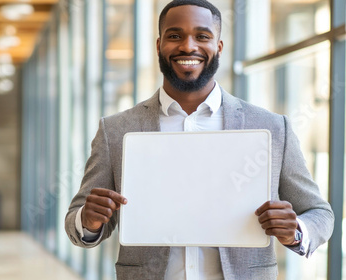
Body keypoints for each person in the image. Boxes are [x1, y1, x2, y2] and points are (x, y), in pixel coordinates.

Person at [65, 0, 334, 279]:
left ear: (218, 46)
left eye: (202, 36)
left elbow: (319, 213)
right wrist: (88, 220)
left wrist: (296, 232)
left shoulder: (272, 127)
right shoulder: (116, 130)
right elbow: (78, 219)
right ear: (159, 45)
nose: (188, 46)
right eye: (174, 36)